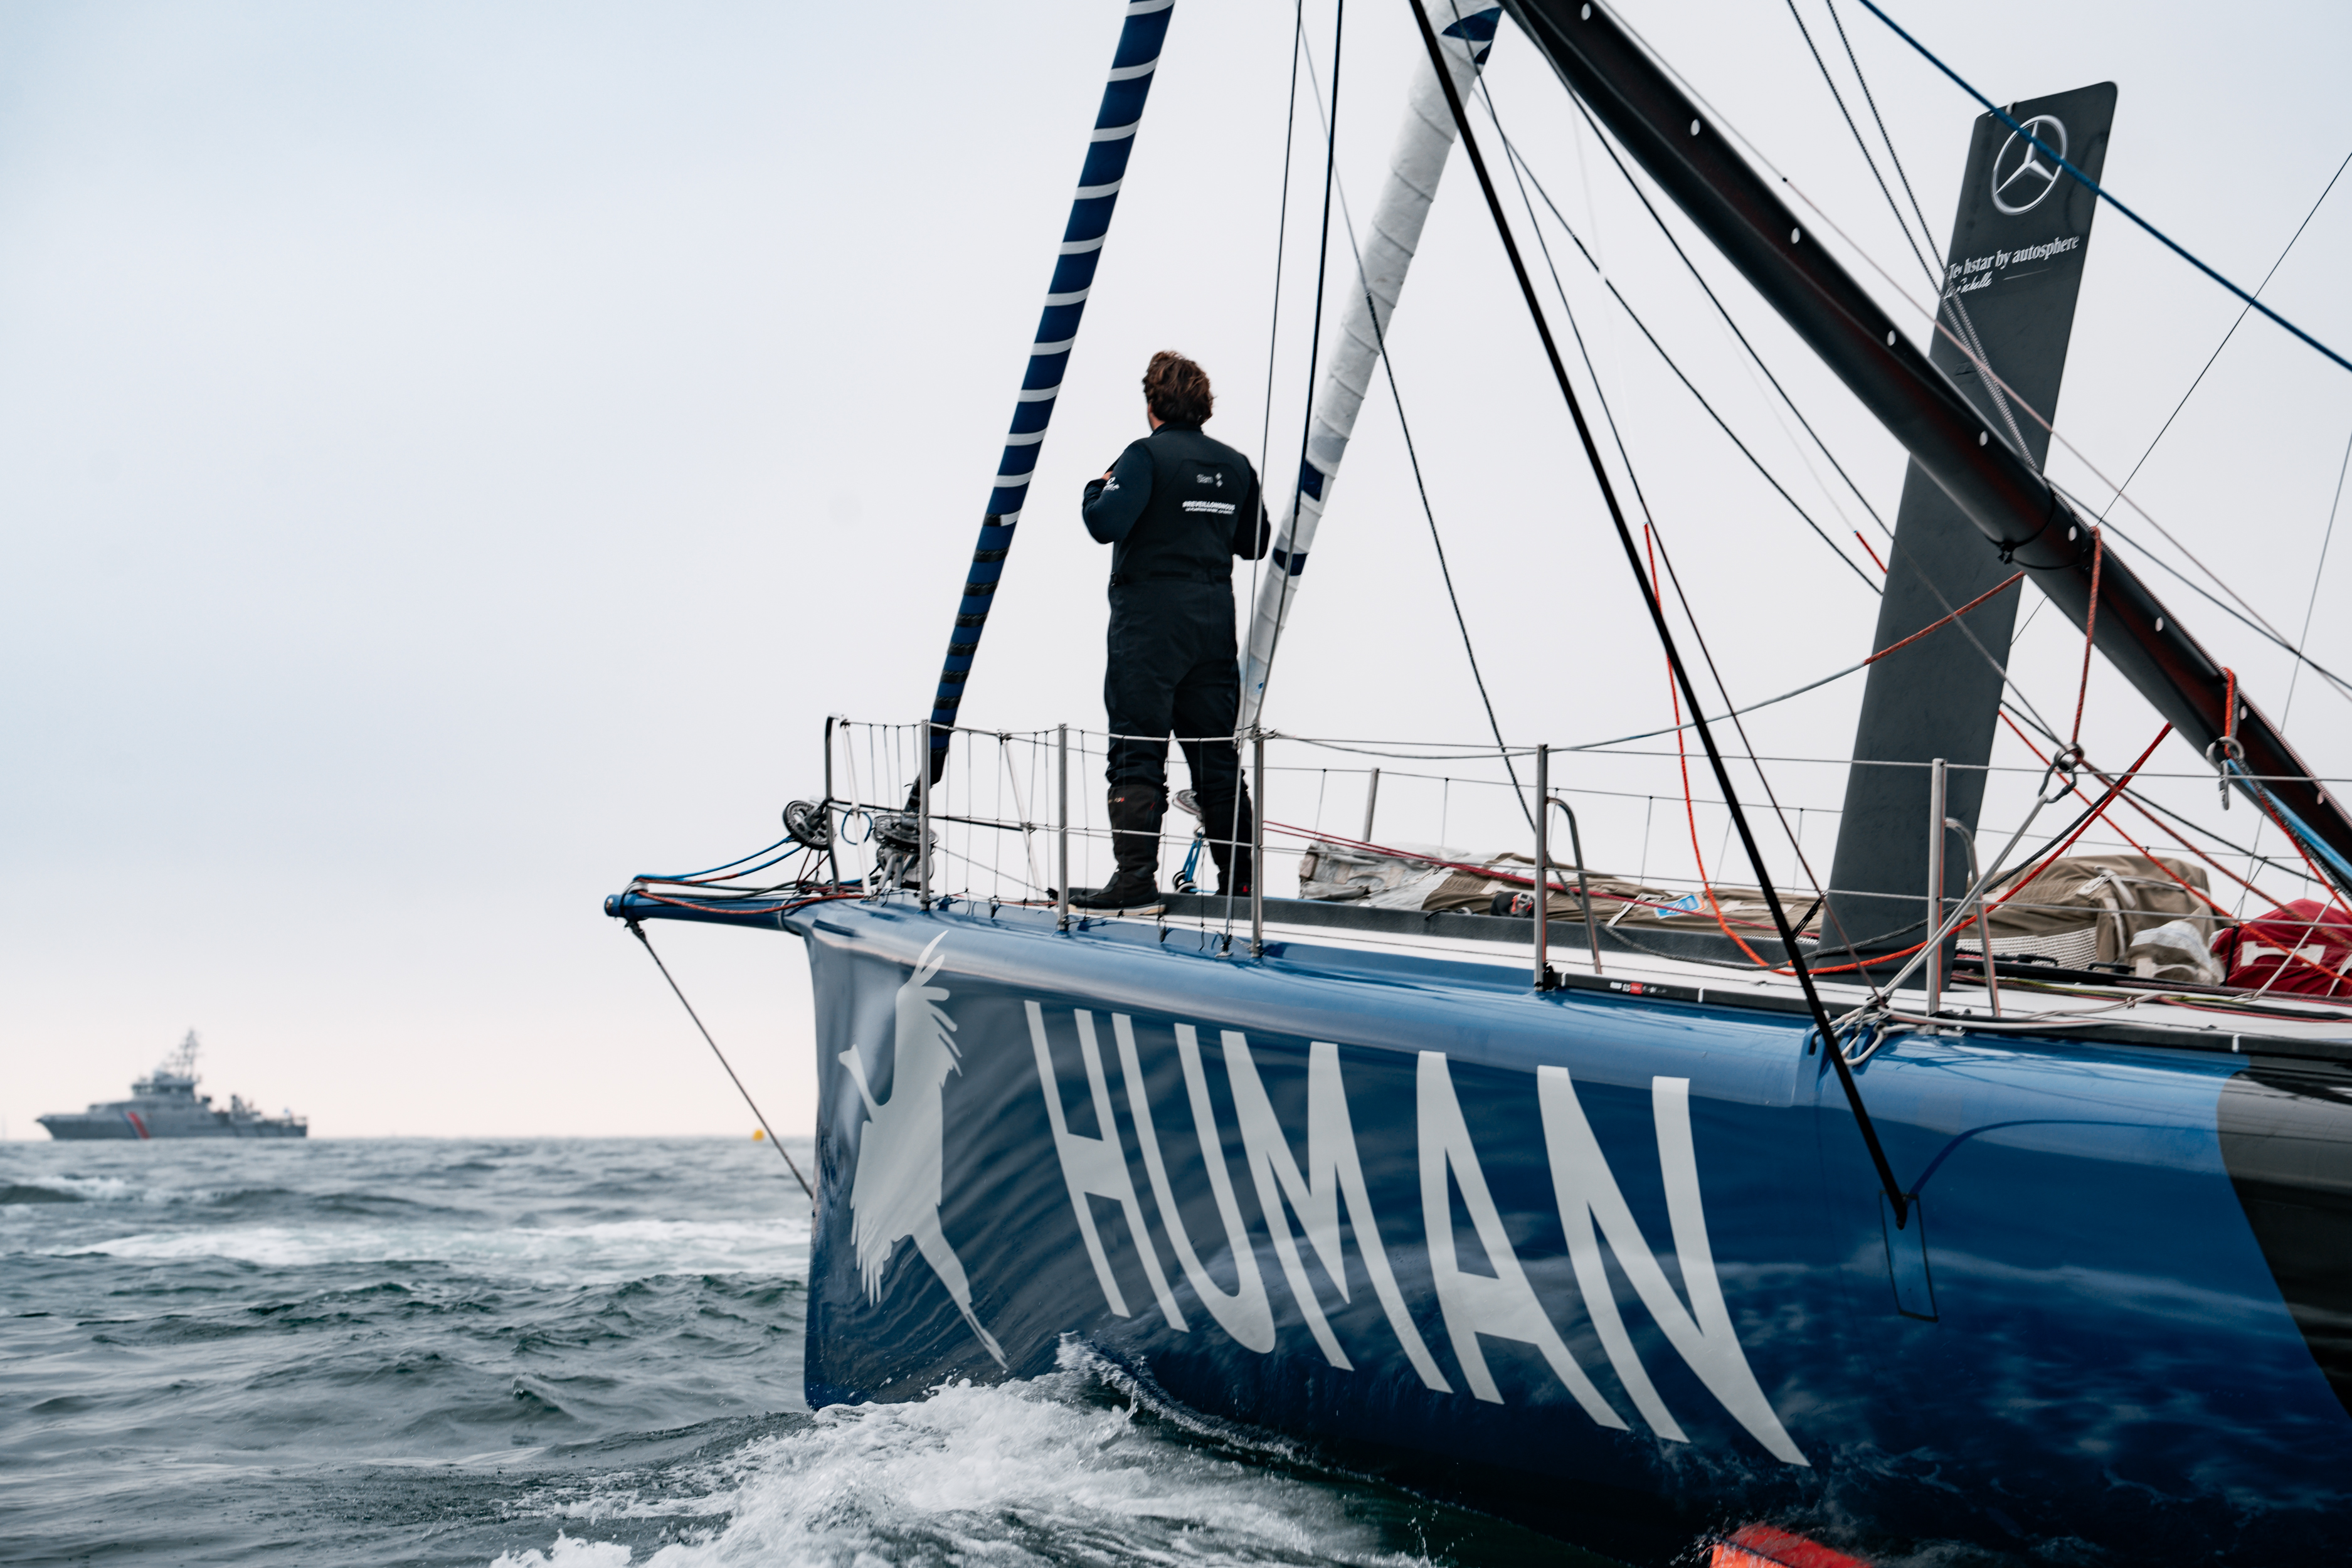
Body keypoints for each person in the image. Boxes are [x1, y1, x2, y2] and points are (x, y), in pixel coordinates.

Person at [1073, 351, 1271, 915]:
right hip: (1213, 619)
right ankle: (1240, 885)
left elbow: (1103, 523)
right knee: (1215, 755)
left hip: (1150, 620)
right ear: (1203, 406)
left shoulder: (1144, 457)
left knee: (1137, 748)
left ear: (1153, 403)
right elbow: (1255, 542)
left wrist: (1095, 487)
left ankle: (1134, 883)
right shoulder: (1235, 464)